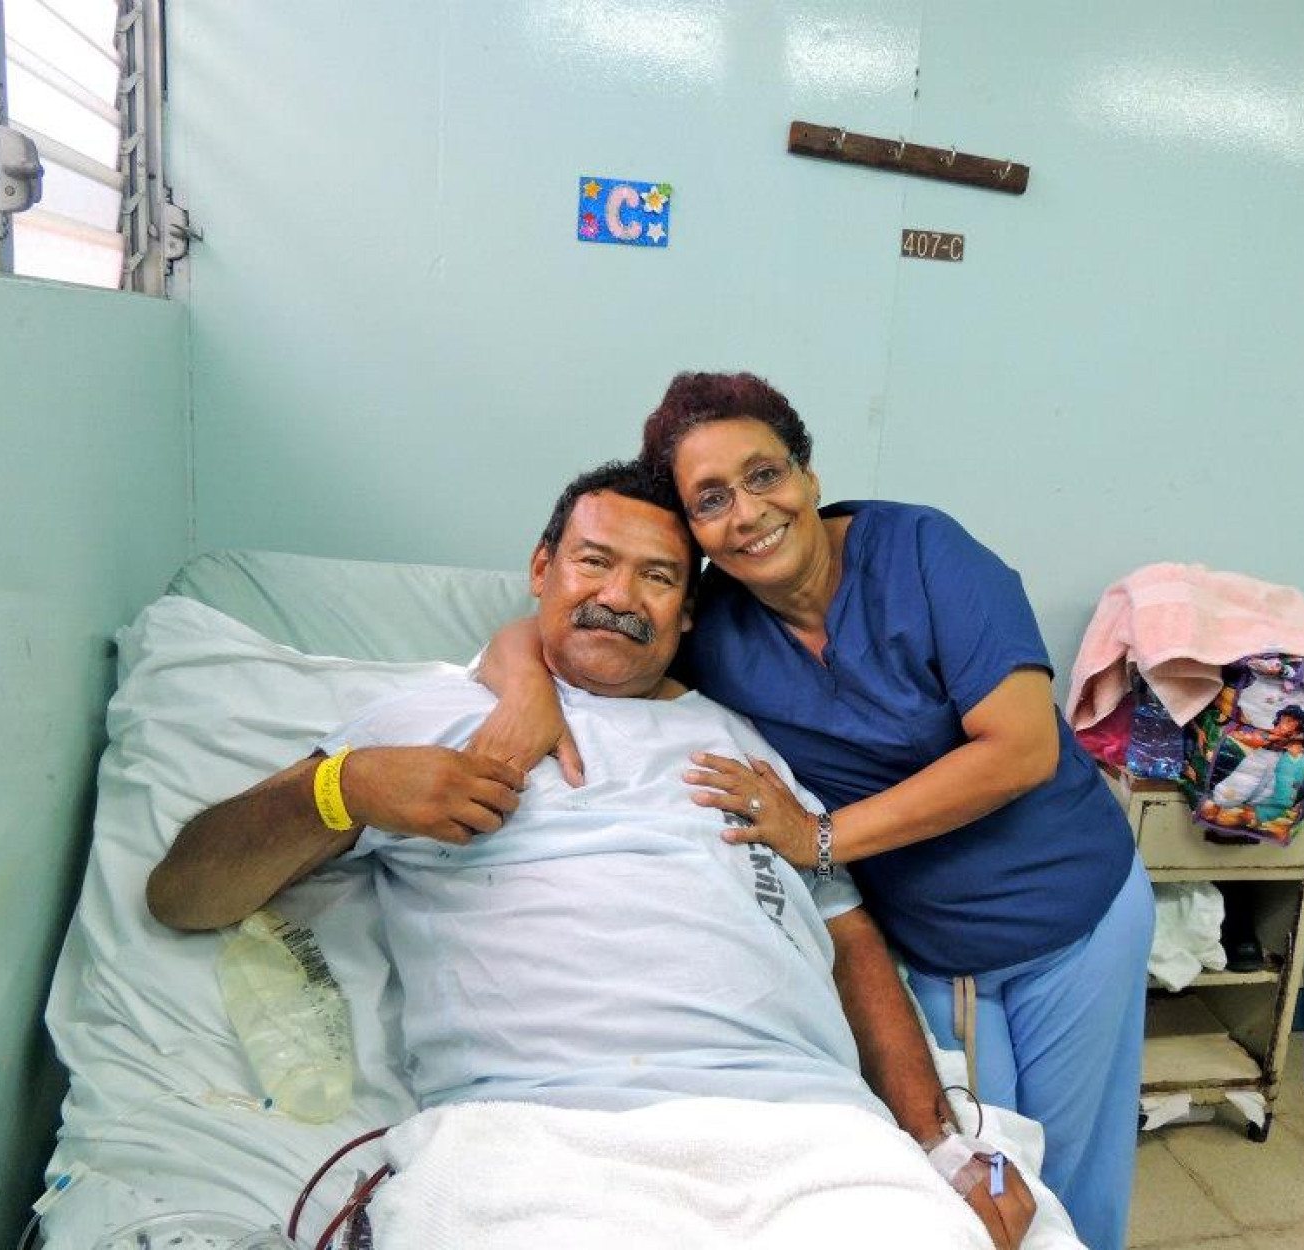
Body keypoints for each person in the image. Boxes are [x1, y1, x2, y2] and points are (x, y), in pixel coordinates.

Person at [146, 461, 1036, 1249]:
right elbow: (184, 893)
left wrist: (938, 1141)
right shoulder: (423, 723)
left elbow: (847, 934)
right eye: (593, 561)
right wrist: (343, 789)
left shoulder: (745, 744)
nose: (620, 595)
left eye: (658, 578)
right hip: (530, 1137)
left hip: (808, 1132)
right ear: (541, 570)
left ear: (688, 612)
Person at [472, 376, 1154, 1250]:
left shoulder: (923, 553)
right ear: (696, 533)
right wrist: (524, 691)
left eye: (765, 475)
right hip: (934, 947)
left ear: (808, 472)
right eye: (711, 500)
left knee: (1078, 1192)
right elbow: (569, 627)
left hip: (1077, 911)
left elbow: (1022, 749)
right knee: (988, 1186)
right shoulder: (713, 625)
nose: (749, 512)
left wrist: (820, 839)